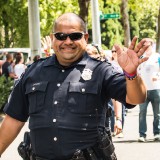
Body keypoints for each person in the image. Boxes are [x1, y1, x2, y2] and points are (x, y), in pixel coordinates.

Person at [0, 13, 152, 160]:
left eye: (74, 36)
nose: (67, 41)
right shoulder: (33, 72)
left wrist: (131, 74)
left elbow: (136, 98)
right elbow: (14, 119)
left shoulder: (101, 70)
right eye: (60, 36)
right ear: (53, 39)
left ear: (85, 38)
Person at [138, 50, 160, 142]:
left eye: (147, 45)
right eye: (144, 46)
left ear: (151, 45)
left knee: (157, 114)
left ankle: (157, 133)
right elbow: (136, 70)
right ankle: (142, 134)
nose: (145, 47)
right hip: (143, 90)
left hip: (156, 88)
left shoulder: (157, 56)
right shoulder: (140, 57)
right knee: (142, 113)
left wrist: (158, 76)